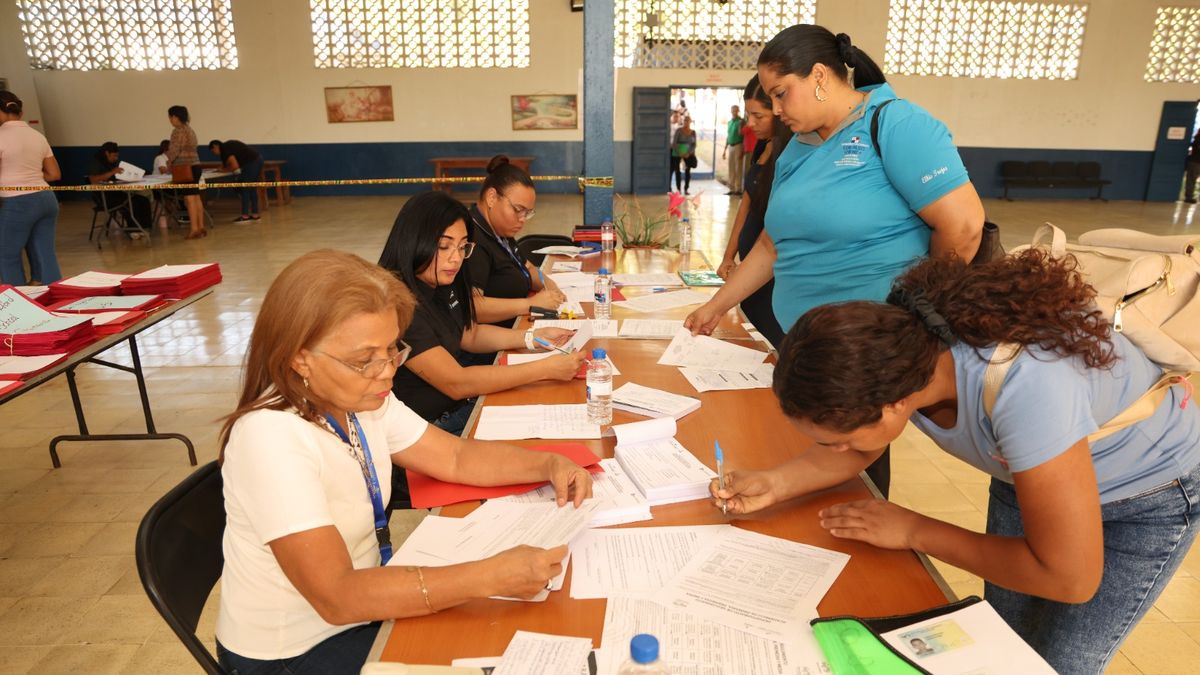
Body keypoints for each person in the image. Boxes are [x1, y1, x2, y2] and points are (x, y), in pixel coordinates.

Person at [713, 251, 1200, 674]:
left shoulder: (1027, 389)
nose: (836, 451)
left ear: (892, 406)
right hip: (1029, 468)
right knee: (1000, 638)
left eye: (836, 440)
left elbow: (1069, 578)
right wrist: (774, 483)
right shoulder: (903, 359)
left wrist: (913, 530)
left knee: (1056, 662)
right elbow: (862, 445)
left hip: (1146, 492)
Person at [216, 248, 592, 674]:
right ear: (300, 357)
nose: (386, 373)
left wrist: (547, 465)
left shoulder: (360, 398)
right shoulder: (270, 438)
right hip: (298, 648)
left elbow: (453, 456)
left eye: (392, 351)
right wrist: (489, 576)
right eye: (363, 360)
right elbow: (336, 597)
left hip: (364, 607)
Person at [686, 25, 986, 496]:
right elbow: (771, 243)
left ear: (821, 76)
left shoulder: (896, 124)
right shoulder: (798, 146)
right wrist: (717, 305)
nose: (776, 110)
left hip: (867, 350)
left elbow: (963, 227)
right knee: (804, 450)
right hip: (806, 342)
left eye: (781, 94)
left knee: (854, 461)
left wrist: (916, 319)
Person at [378, 190, 586, 437]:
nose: (455, 258)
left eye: (462, 246)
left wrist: (534, 337)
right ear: (414, 241)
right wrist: (546, 369)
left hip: (461, 405)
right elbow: (457, 383)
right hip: (435, 426)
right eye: (444, 246)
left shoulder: (439, 278)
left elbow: (470, 335)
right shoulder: (398, 304)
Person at [713, 76, 787, 348]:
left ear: (780, 111)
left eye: (758, 116)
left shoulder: (788, 154)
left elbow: (773, 230)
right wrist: (728, 256)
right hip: (750, 261)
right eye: (748, 115)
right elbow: (746, 205)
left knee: (774, 323)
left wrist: (748, 267)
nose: (750, 124)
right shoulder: (761, 147)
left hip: (769, 265)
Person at [466, 155, 565, 330]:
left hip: (516, 326)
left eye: (527, 213)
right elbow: (474, 307)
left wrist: (551, 287)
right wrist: (530, 303)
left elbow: (527, 268)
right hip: (489, 344)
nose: (522, 220)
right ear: (491, 198)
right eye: (518, 210)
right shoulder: (472, 239)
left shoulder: (500, 230)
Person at [0, 90, 61, 285]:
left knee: (6, 255)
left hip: (15, 202)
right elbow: (54, 174)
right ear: (20, 111)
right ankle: (55, 298)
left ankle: (19, 303)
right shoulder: (38, 136)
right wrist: (29, 176)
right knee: (45, 252)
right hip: (46, 199)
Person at [86, 141, 153, 236]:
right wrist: (112, 172)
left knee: (143, 200)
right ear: (106, 153)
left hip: (115, 192)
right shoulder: (95, 162)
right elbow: (93, 180)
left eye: (117, 156)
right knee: (130, 203)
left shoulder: (111, 163)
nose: (116, 158)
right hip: (104, 196)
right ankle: (133, 229)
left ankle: (144, 227)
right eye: (114, 156)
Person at [165, 105, 206, 239]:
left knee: (189, 199)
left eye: (170, 117)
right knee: (196, 197)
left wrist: (169, 162)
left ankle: (193, 229)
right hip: (196, 166)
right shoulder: (190, 130)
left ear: (175, 117)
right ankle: (201, 227)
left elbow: (174, 150)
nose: (170, 120)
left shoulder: (177, 131)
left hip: (184, 168)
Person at [209, 138, 264, 221]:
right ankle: (255, 214)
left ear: (215, 146)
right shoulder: (226, 147)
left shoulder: (225, 150)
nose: (214, 154)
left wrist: (223, 170)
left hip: (251, 163)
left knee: (245, 189)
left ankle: (245, 216)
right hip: (257, 159)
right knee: (252, 188)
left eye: (213, 151)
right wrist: (223, 167)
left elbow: (235, 166)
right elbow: (230, 161)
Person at [721, 104, 744, 195]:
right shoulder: (730, 122)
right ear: (731, 111)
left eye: (736, 110)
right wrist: (724, 150)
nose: (734, 112)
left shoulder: (741, 121)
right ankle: (731, 188)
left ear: (738, 111)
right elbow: (728, 136)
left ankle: (738, 189)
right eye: (733, 110)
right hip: (730, 145)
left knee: (738, 167)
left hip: (738, 145)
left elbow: (742, 134)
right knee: (731, 167)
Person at [671, 116, 697, 194]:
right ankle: (678, 189)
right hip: (677, 153)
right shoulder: (679, 130)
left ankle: (686, 189)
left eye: (688, 121)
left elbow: (694, 144)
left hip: (688, 154)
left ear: (690, 122)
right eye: (685, 120)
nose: (686, 122)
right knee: (677, 171)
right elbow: (674, 143)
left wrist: (688, 153)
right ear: (683, 121)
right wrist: (680, 153)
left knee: (687, 171)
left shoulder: (693, 132)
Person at [1185, 128, 1199, 204]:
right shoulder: (1198, 139)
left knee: (1191, 179)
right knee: (1191, 179)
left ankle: (1189, 196)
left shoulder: (1196, 139)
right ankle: (1189, 197)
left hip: (1193, 161)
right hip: (1196, 162)